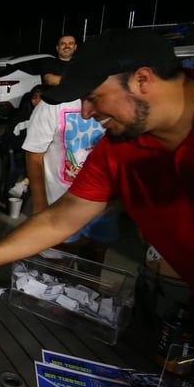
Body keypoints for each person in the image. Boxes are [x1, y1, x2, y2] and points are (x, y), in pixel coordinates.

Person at [0, 28, 194, 329]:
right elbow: (61, 219)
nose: (85, 113)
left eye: (93, 98)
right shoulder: (118, 145)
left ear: (142, 79)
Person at [22, 92, 119, 272]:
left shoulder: (118, 99)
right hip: (61, 203)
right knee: (58, 263)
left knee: (94, 260)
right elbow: (34, 155)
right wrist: (40, 205)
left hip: (104, 205)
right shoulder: (53, 105)